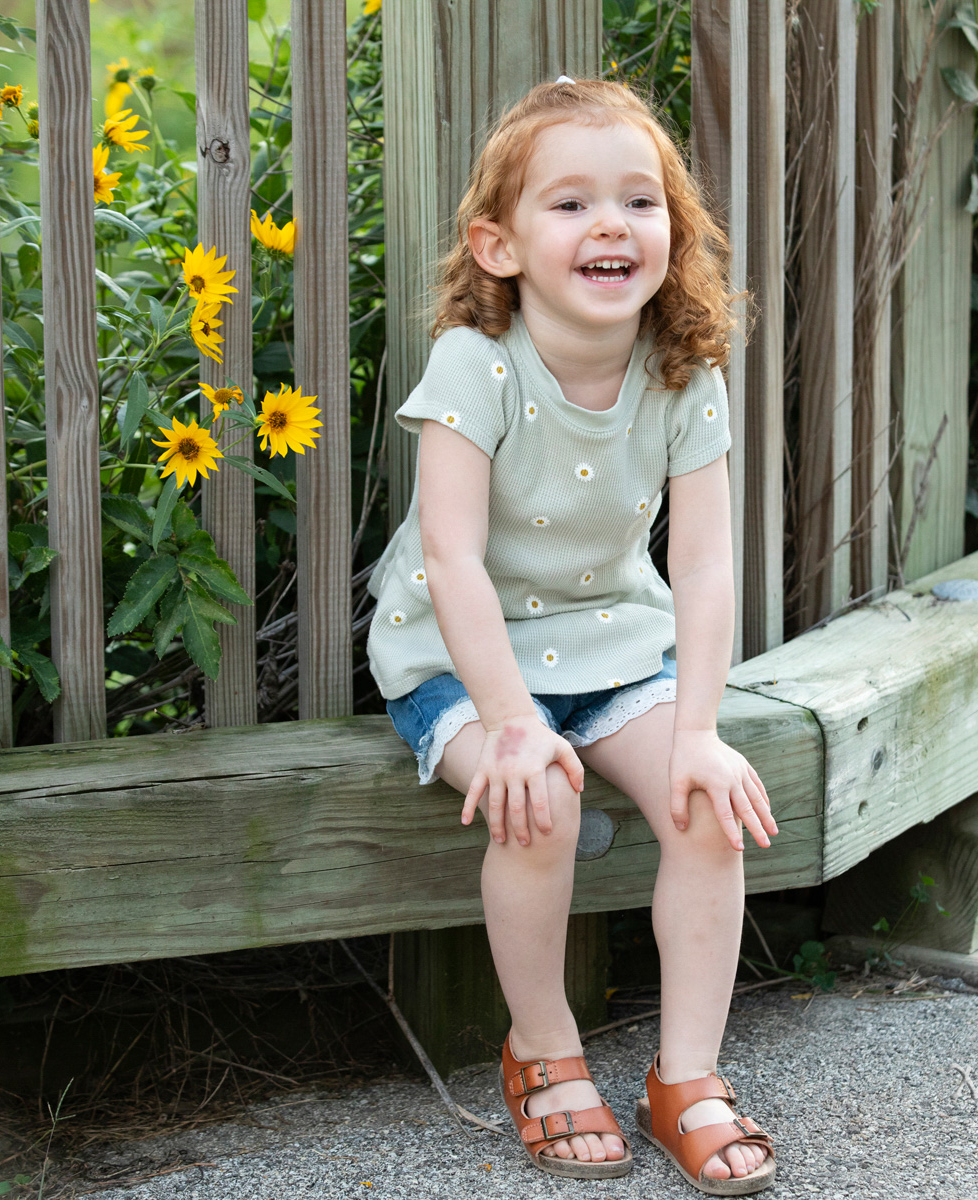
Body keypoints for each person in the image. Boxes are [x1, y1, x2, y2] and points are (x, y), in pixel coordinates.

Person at [366, 77, 779, 1194]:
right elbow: (451, 559)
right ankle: (542, 1050)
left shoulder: (682, 372)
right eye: (572, 204)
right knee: (538, 801)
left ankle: (685, 1078)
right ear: (498, 246)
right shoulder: (477, 363)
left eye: (640, 202)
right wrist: (509, 725)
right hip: (461, 655)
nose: (612, 225)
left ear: (673, 232)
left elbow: (703, 564)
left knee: (706, 809)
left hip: (610, 644)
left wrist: (698, 730)